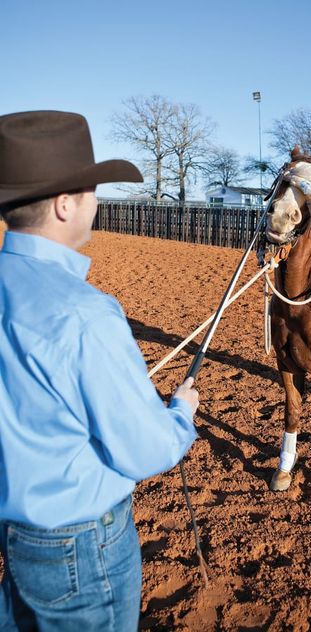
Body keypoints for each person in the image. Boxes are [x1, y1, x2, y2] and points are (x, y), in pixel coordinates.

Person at [0, 110, 199, 631]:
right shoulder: (84, 313)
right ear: (65, 204)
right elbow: (143, 448)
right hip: (82, 546)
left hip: (17, 535)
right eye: (91, 190)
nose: (97, 202)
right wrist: (181, 414)